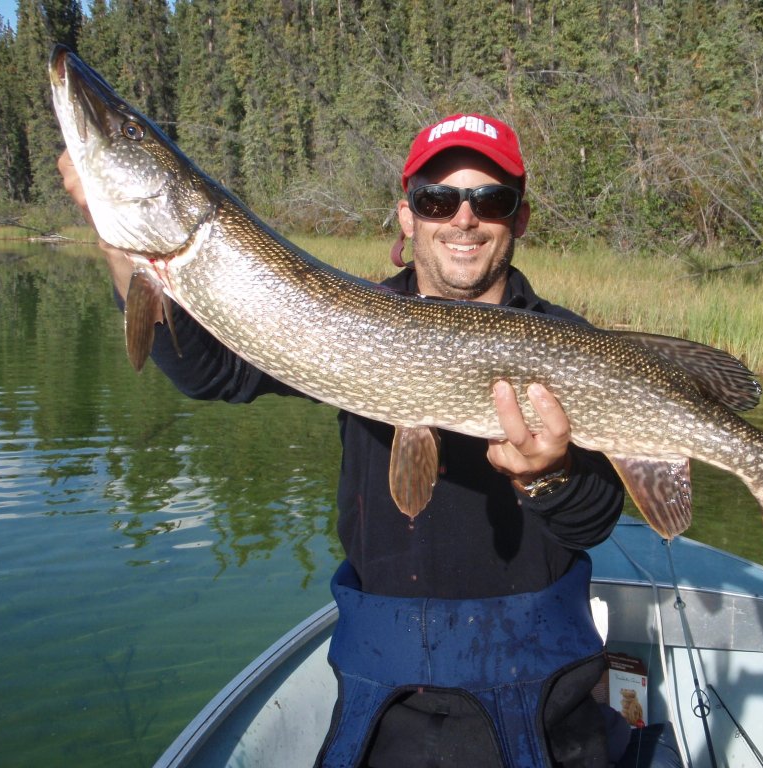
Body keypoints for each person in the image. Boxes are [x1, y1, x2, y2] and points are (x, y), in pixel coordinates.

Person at [60, 114, 664, 767]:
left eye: (490, 200)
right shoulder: (348, 316)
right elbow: (209, 371)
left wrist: (548, 475)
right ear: (407, 216)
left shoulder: (566, 345)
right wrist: (122, 244)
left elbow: (593, 519)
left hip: (549, 709)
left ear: (517, 219)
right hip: (388, 707)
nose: (463, 219)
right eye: (438, 199)